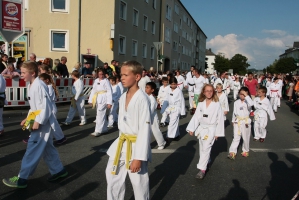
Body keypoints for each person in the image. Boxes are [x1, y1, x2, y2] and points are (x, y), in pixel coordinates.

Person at [2, 61, 67, 188]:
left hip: (42, 123)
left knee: (32, 149)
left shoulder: (39, 85)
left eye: (24, 73)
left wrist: (38, 121)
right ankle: (59, 171)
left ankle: (22, 178)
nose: (21, 75)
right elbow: (35, 107)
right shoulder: (31, 84)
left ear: (32, 73)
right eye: (21, 72)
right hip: (39, 121)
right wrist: (28, 118)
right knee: (48, 149)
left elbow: (46, 106)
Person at [105, 60, 151, 200]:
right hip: (122, 142)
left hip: (137, 146)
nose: (122, 78)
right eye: (121, 75)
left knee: (139, 183)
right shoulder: (123, 96)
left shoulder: (143, 99)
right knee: (112, 176)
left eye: (126, 75)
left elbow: (145, 129)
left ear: (137, 77)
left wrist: (138, 158)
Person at [186, 84, 224, 179]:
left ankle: (202, 169)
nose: (209, 93)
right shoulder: (201, 103)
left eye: (211, 91)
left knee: (206, 148)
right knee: (202, 147)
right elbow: (196, 116)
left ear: (214, 92)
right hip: (202, 128)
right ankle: (207, 160)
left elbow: (220, 118)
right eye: (207, 91)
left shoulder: (216, 104)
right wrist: (191, 128)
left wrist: (217, 133)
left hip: (211, 129)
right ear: (203, 92)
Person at [39, 73, 67, 145]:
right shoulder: (46, 86)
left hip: (50, 107)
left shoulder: (49, 87)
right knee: (47, 123)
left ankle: (61, 137)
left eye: (42, 81)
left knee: (53, 124)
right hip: (48, 107)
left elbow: (47, 98)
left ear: (47, 80)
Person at [228, 87, 254, 159]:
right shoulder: (236, 102)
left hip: (245, 121)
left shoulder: (248, 102)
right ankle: (232, 152)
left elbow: (252, 104)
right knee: (236, 137)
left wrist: (246, 95)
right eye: (240, 94)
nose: (242, 96)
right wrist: (233, 120)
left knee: (245, 137)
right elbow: (234, 112)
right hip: (238, 121)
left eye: (243, 94)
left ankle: (245, 150)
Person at [160, 77, 185, 143]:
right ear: (170, 84)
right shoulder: (168, 90)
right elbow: (166, 99)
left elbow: (182, 101)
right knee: (174, 122)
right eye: (172, 84)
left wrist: (182, 112)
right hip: (170, 108)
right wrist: (163, 108)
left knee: (172, 123)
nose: (173, 85)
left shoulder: (179, 91)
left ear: (176, 84)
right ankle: (176, 135)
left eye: (175, 84)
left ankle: (169, 136)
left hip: (176, 108)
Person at [88, 68, 112, 136]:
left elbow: (109, 91)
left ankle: (97, 130)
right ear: (97, 74)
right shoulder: (96, 80)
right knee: (100, 114)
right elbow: (93, 90)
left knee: (100, 114)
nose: (101, 76)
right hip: (97, 97)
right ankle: (104, 129)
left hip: (104, 98)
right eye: (99, 74)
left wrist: (109, 102)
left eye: (102, 74)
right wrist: (91, 100)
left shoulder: (106, 81)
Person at [145, 82, 166, 150]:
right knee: (146, 131)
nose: (146, 89)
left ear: (152, 90)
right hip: (145, 117)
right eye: (146, 87)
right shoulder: (144, 96)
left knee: (156, 130)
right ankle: (146, 144)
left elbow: (150, 110)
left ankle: (162, 143)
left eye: (148, 88)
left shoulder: (152, 99)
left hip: (152, 117)